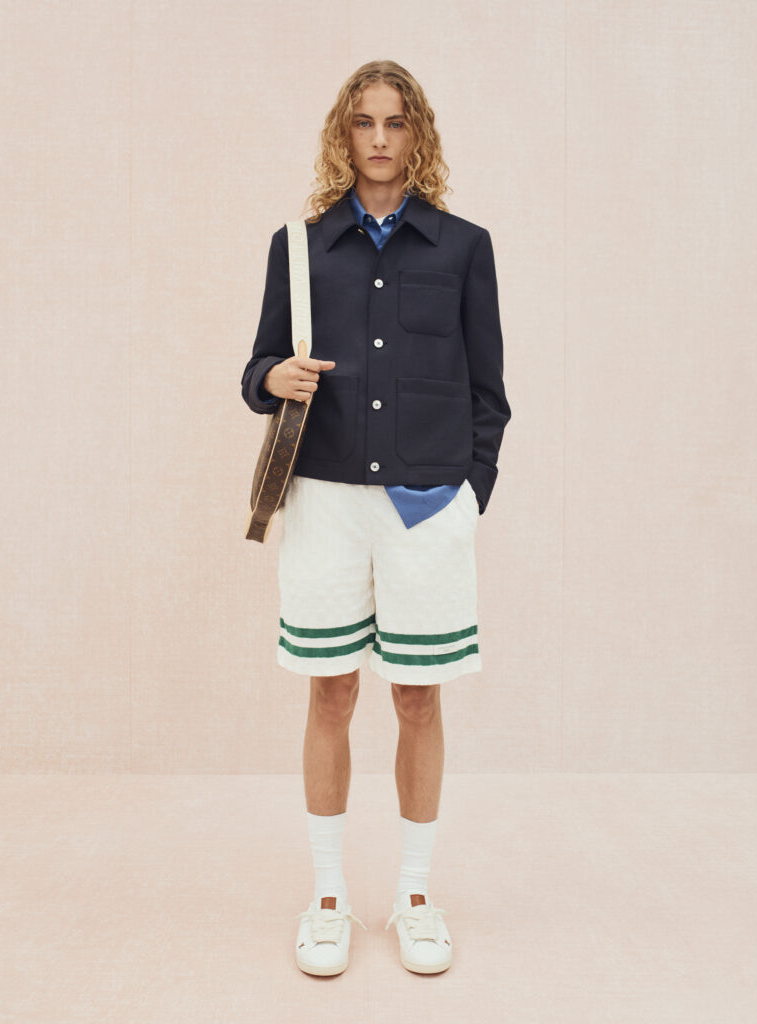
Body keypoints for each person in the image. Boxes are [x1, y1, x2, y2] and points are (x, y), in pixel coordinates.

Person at [241, 59, 511, 977]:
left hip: (426, 509)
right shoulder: (299, 247)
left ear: (416, 133)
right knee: (330, 691)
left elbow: (488, 390)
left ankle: (414, 896)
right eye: (364, 122)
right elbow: (257, 370)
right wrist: (271, 377)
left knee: (417, 696)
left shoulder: (463, 247)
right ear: (343, 134)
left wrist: (470, 492)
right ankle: (328, 898)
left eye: (396, 123)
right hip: (323, 501)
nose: (380, 139)